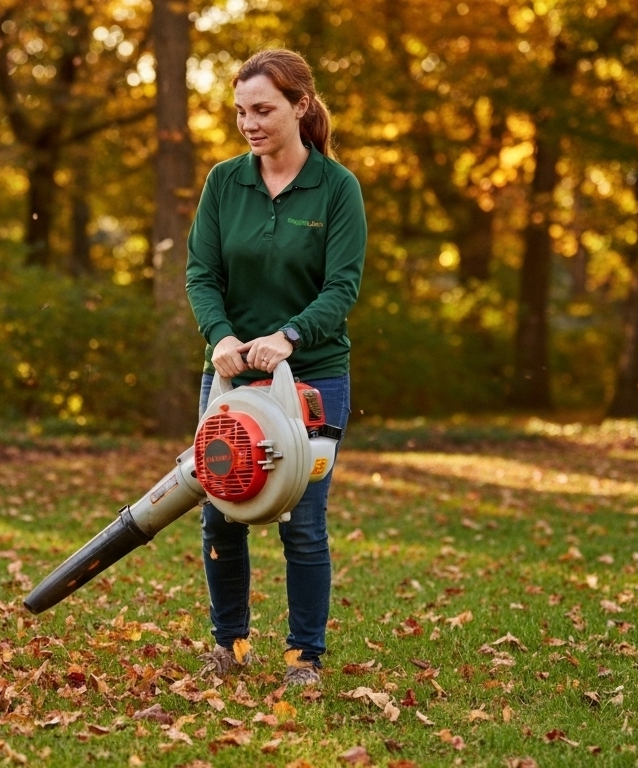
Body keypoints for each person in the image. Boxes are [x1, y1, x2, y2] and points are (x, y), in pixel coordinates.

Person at [184, 49, 366, 686]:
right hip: (232, 375)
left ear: (300, 106)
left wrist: (289, 335)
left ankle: (303, 659)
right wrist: (222, 337)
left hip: (313, 376)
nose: (250, 123)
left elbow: (342, 286)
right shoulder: (223, 182)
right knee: (219, 512)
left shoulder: (337, 189)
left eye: (263, 109)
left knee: (305, 522)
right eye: (240, 112)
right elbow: (202, 274)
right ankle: (228, 648)